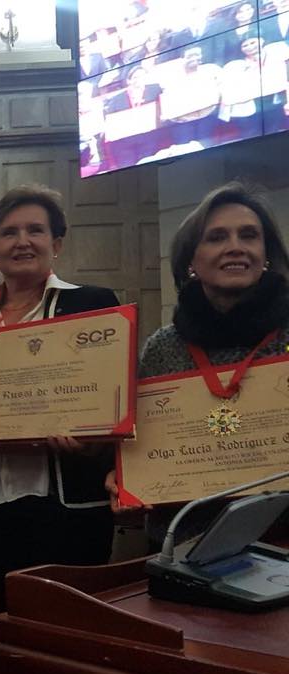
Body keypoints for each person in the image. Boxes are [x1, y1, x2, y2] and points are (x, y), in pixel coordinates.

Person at [107, 182, 289, 541]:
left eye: (249, 235)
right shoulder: (162, 348)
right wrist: (127, 477)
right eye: (217, 237)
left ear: (266, 254)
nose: (235, 247)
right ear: (190, 260)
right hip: (183, 543)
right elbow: (142, 445)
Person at [0, 185, 118, 607]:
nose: (22, 241)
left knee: (71, 625)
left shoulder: (91, 305)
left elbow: (113, 402)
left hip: (67, 506)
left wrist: (91, 443)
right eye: (9, 233)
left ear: (56, 244)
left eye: (35, 230)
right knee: (4, 619)